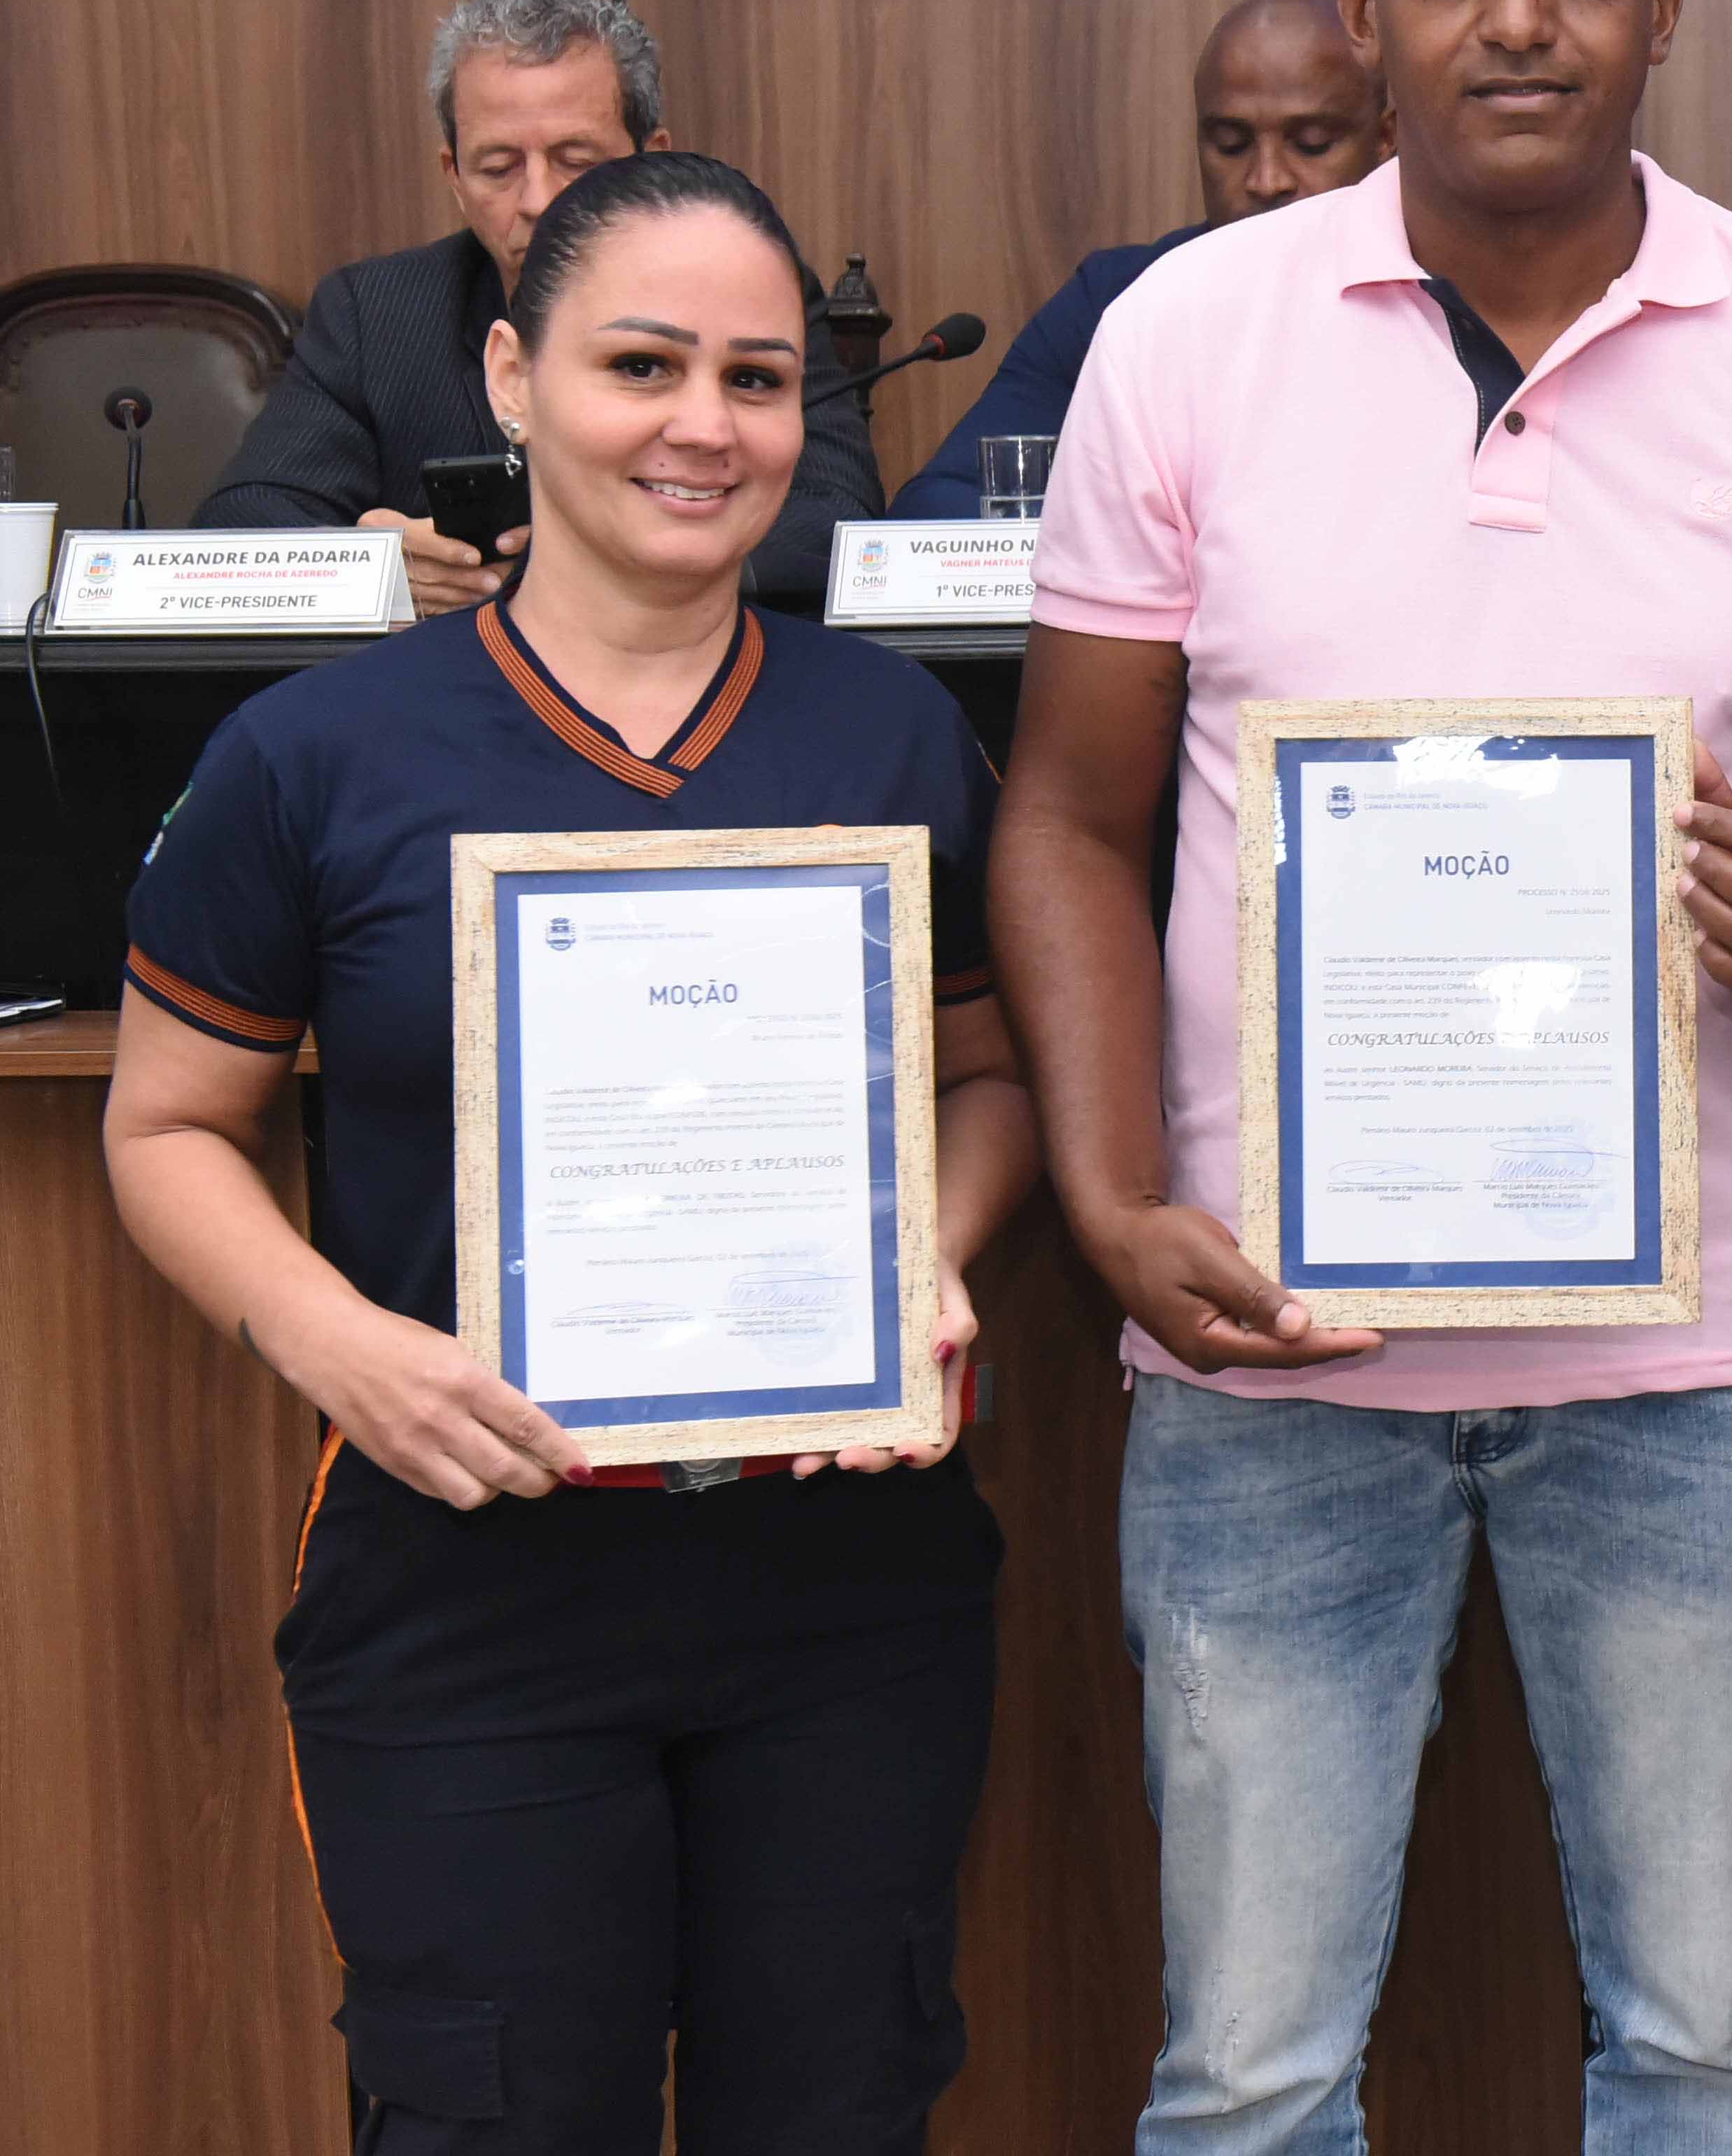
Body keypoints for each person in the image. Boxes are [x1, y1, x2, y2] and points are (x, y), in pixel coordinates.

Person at [988, 0, 1732, 2155]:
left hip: (1695, 1366)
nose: (1517, 19)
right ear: (1367, 9)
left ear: (1665, 8)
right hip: (1269, 1351)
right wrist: (1112, 1208)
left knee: (1707, 2047)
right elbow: (1067, 814)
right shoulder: (1186, 341)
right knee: (1245, 2073)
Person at [103, 150, 1038, 2154]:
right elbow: (166, 1125)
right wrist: (341, 1346)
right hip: (464, 1591)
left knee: (842, 2106)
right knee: (498, 2120)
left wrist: (932, 1261)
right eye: (644, 364)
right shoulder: (316, 752)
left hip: (844, 1595)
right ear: (513, 383)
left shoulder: (891, 736)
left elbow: (991, 1080)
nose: (707, 426)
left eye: (763, 379)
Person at [197, 0, 882, 607]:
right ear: (454, 175)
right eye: (498, 167)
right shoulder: (377, 312)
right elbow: (242, 523)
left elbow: (837, 526)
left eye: (575, 162)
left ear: (651, 157)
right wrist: (372, 569)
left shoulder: (749, 296)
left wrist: (600, 571)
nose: (538, 199)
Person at [887, 0, 1386, 519]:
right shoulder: (1122, 295)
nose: (1266, 180)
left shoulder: (1454, 299)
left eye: (1309, 143)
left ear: (1387, 140)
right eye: (1231, 144)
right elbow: (946, 505)